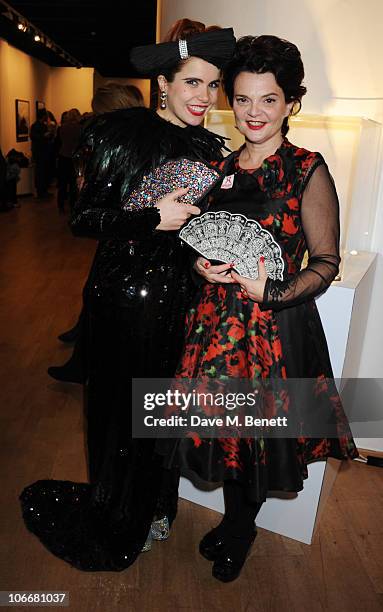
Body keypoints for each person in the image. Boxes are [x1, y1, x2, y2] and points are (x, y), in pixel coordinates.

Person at [20, 20, 235, 572]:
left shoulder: (210, 148)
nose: (204, 97)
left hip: (180, 298)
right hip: (124, 296)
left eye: (212, 86)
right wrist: (151, 217)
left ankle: (152, 508)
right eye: (192, 83)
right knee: (123, 412)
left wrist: (204, 259)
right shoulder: (122, 134)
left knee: (160, 413)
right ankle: (120, 516)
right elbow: (86, 218)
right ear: (163, 83)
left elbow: (192, 230)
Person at [173, 35, 359, 582]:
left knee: (256, 442)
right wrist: (201, 267)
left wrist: (271, 293)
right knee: (225, 438)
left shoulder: (306, 169)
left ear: (290, 104)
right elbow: (202, 241)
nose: (254, 112)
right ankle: (235, 523)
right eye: (244, 99)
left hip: (272, 332)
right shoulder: (220, 167)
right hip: (216, 327)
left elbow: (325, 263)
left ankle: (240, 531)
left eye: (269, 99)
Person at [48, 85, 146, 384]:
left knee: (101, 298)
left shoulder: (123, 141)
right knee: (95, 293)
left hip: (128, 232)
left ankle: (84, 364)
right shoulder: (133, 137)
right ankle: (82, 352)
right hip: (123, 229)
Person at [56, 108, 82, 213]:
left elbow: (59, 142)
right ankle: (73, 205)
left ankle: (60, 205)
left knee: (62, 183)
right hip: (74, 157)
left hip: (63, 156)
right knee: (73, 183)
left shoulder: (62, 128)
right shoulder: (80, 128)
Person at [30, 109, 53, 199]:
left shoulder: (42, 125)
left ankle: (44, 190)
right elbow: (33, 137)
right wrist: (44, 136)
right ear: (43, 116)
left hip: (44, 152)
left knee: (44, 171)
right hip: (40, 153)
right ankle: (41, 192)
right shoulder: (35, 126)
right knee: (40, 172)